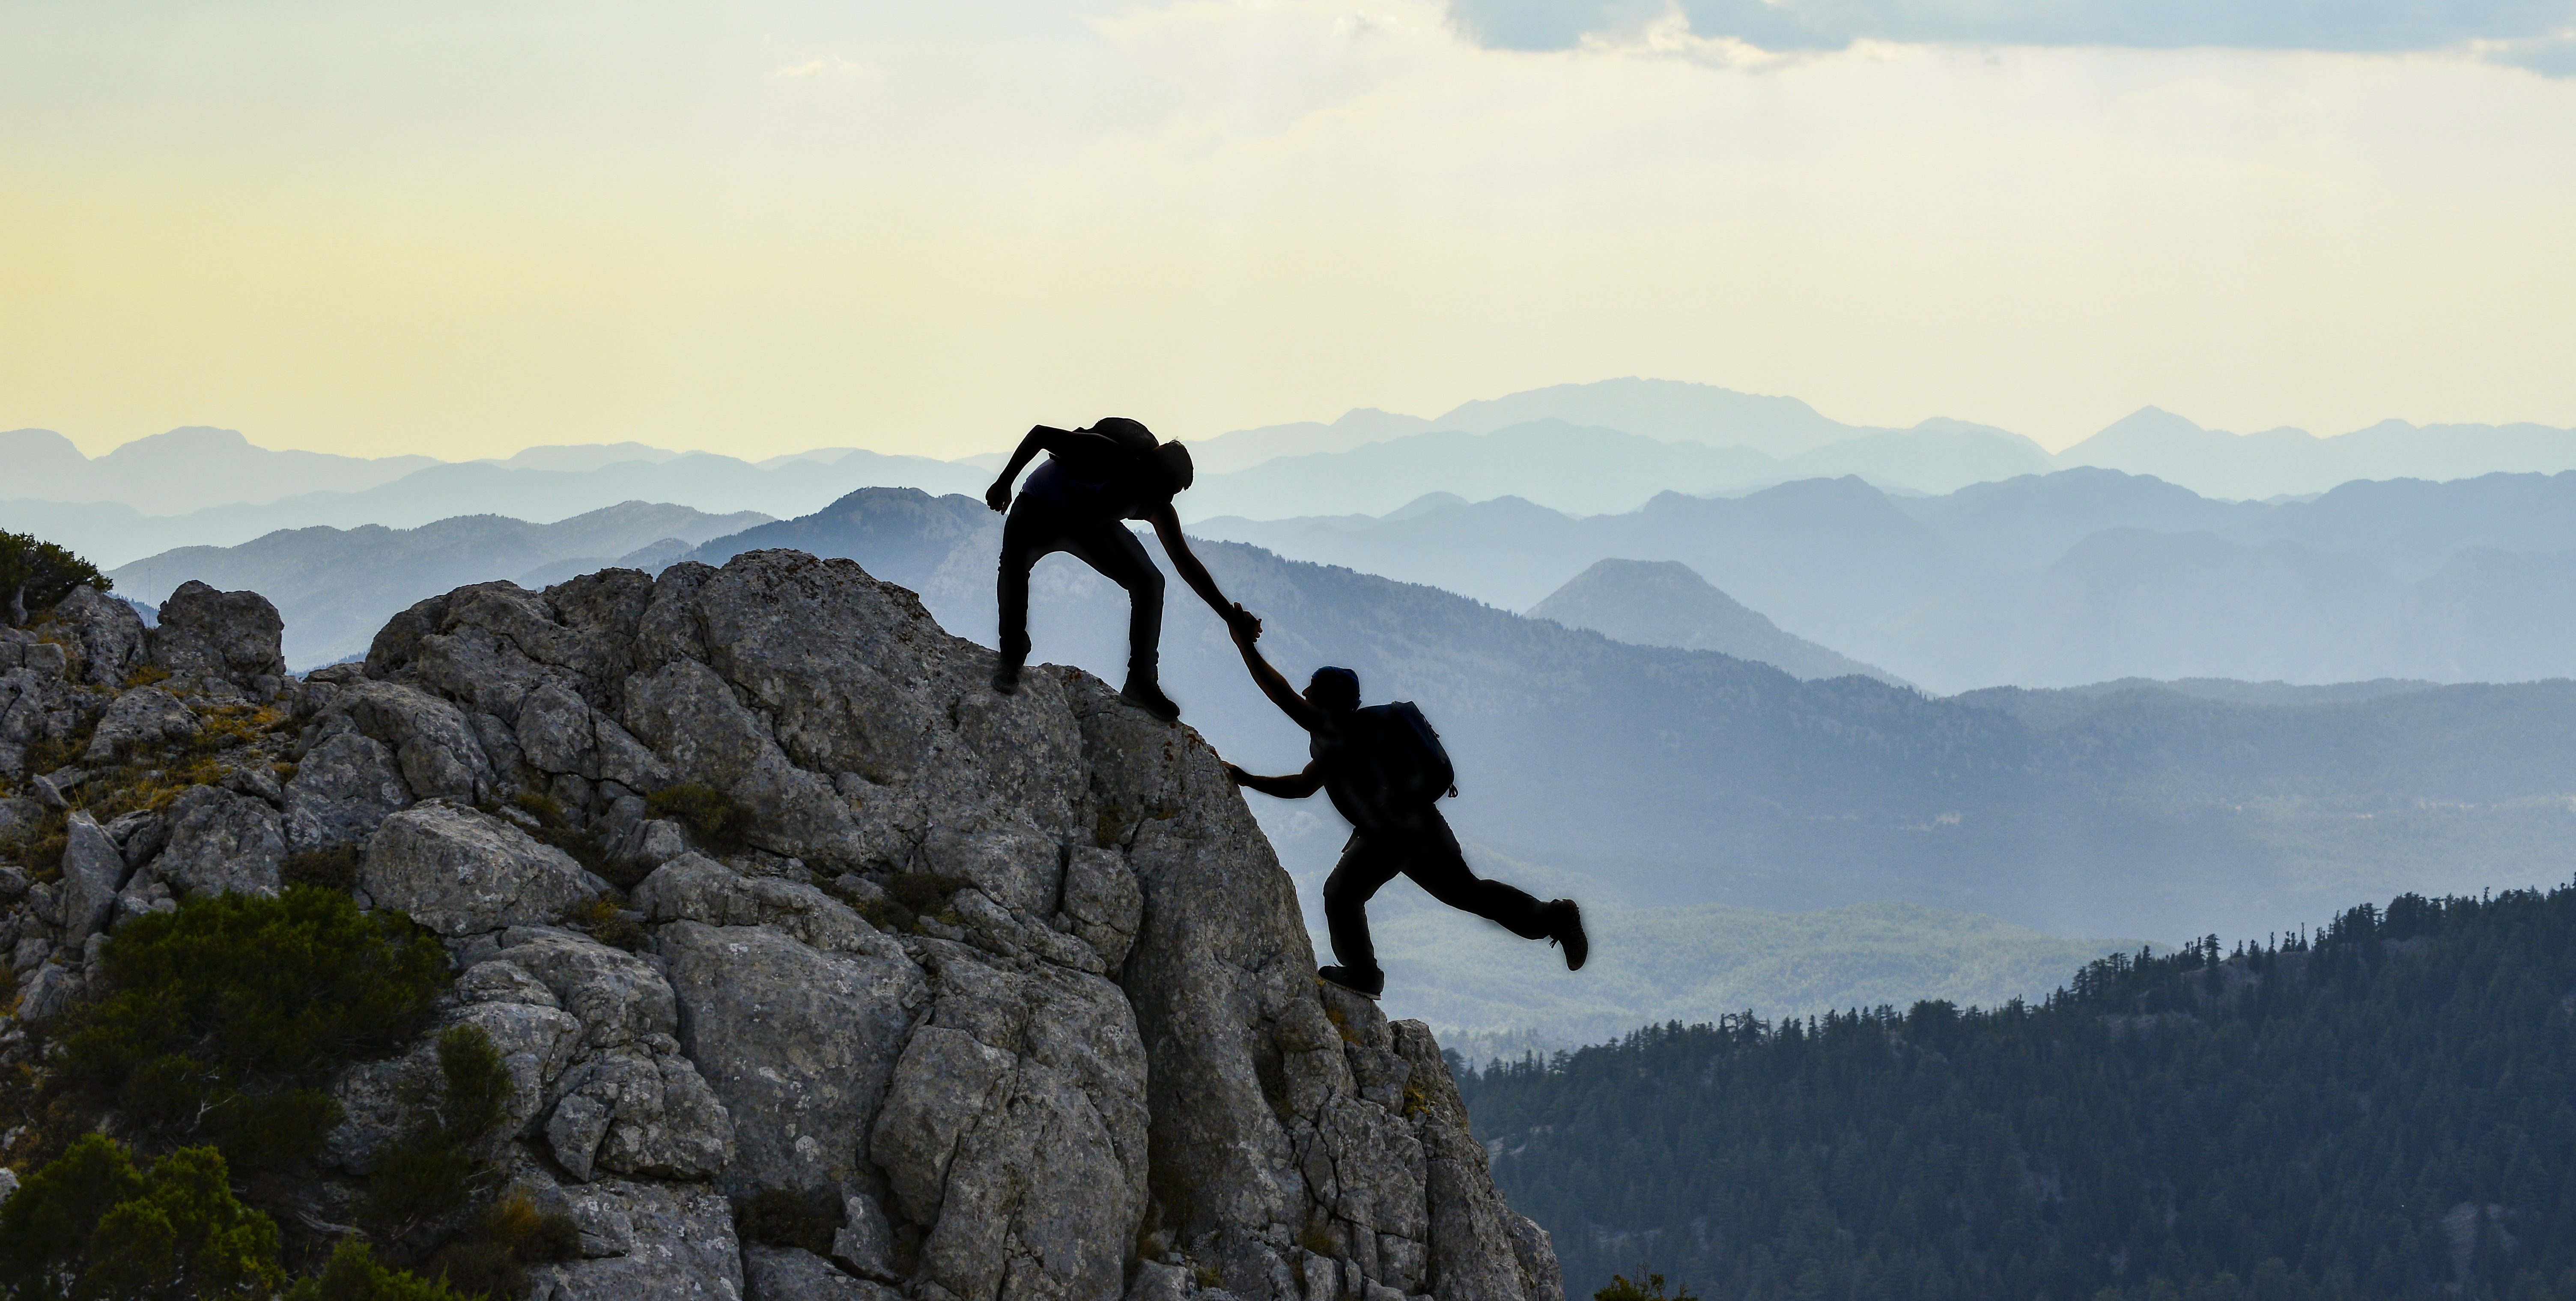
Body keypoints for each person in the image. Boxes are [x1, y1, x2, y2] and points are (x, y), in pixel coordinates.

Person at [1219, 619, 1587, 998]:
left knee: (1342, 893)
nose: (1304, 691)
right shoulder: (1342, 742)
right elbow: (1301, 785)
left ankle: (1363, 973)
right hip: (1420, 827)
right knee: (1469, 893)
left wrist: (1244, 643)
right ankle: (1553, 918)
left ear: (1326, 701)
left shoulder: (1339, 730)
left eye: (1312, 689)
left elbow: (1280, 695)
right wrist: (1245, 777)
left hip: (1392, 834)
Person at [984, 417, 1256, 722]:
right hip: (1040, 506)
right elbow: (1040, 435)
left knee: (1150, 582)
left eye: (1173, 494)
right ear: (1148, 471)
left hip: (1089, 524)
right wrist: (1004, 482)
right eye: (1166, 489)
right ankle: (1012, 654)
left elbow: (1186, 563)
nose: (1166, 500)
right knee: (1013, 565)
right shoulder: (1106, 454)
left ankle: (1141, 682)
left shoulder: (1155, 500)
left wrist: (1231, 617)